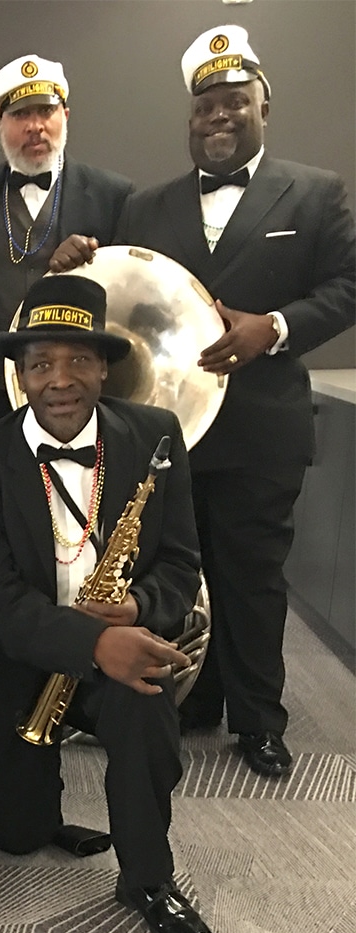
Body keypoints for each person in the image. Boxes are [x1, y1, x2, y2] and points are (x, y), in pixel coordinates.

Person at [50, 25, 356, 777]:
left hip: (260, 430)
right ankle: (198, 699)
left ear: (263, 104)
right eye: (205, 106)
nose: (219, 116)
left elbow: (348, 286)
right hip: (164, 431)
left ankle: (260, 719)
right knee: (178, 576)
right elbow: (114, 298)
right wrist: (71, 265)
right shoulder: (146, 205)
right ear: (190, 119)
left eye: (234, 101)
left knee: (251, 577)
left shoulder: (317, 192)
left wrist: (274, 328)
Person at [0, 273, 214, 933]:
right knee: (16, 834)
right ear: (20, 374)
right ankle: (37, 798)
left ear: (102, 367)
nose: (60, 380)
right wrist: (90, 646)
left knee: (146, 702)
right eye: (41, 363)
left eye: (77, 360)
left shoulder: (156, 436)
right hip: (15, 656)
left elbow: (180, 563)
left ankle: (148, 877)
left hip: (116, 649)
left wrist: (142, 605)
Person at [0, 55, 132, 440]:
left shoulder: (113, 195)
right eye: (19, 115)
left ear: (65, 114)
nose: (35, 127)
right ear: (0, 125)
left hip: (74, 394)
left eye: (45, 111)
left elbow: (128, 296)